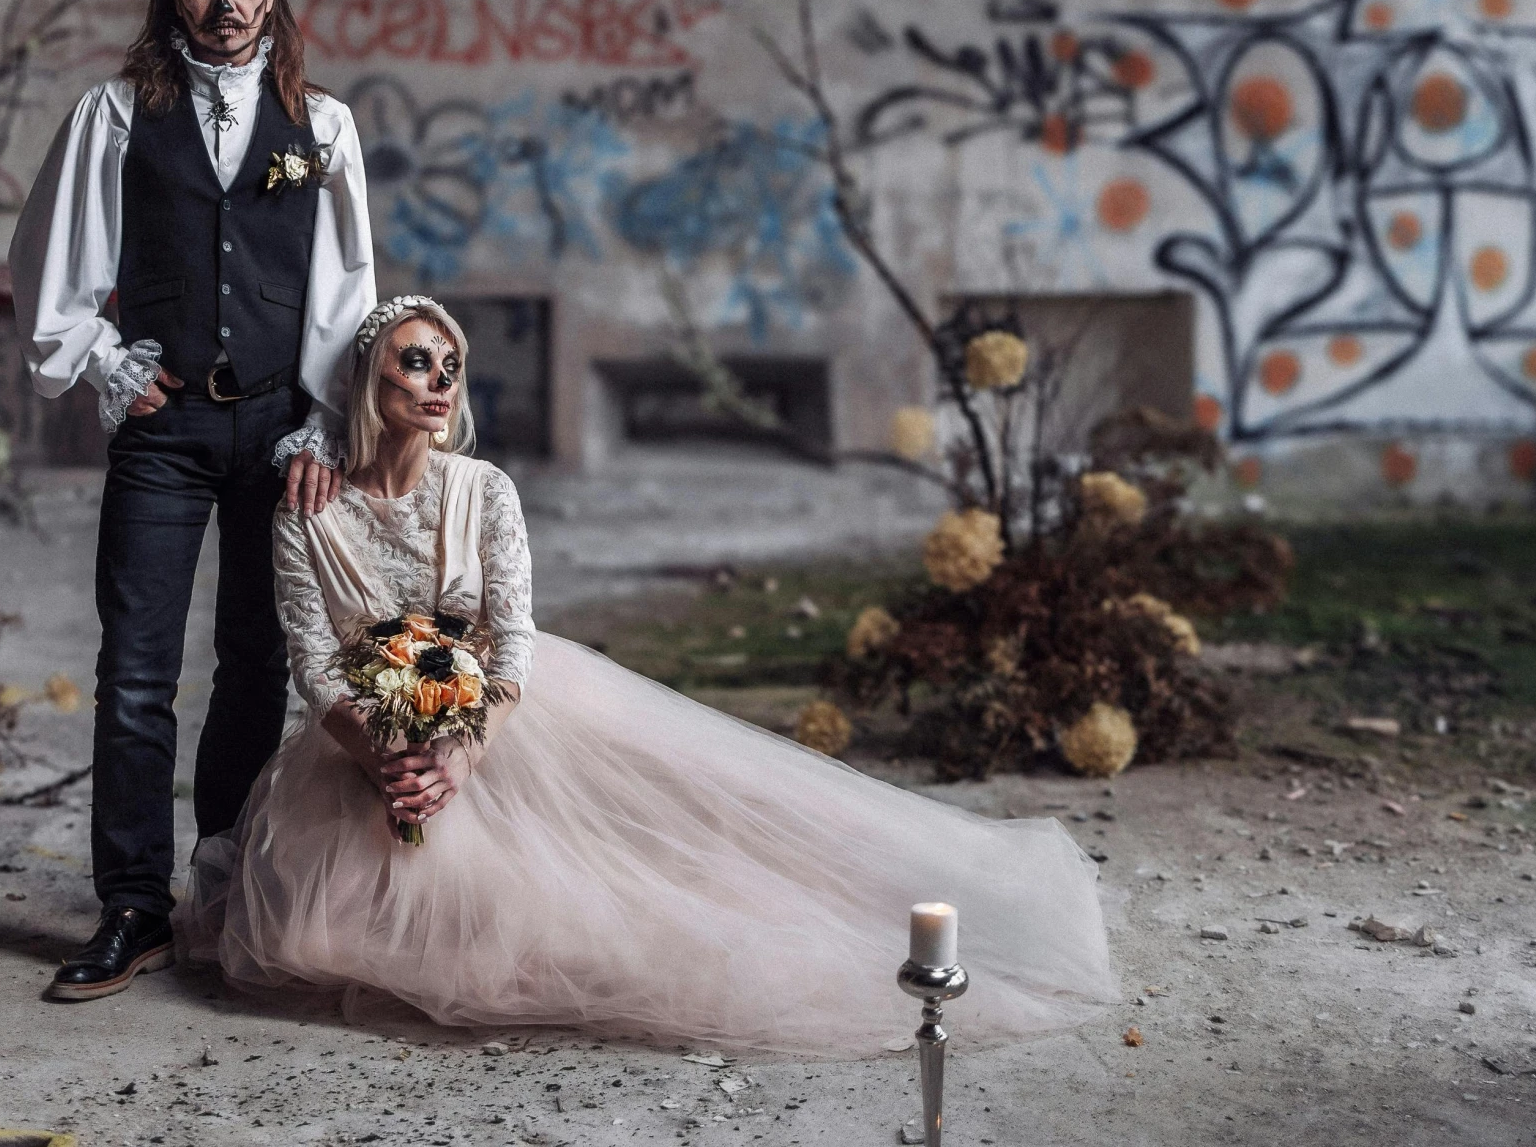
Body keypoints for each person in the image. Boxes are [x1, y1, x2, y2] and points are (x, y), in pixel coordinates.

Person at [177, 296, 1117, 1055]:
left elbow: (512, 644)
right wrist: (389, 758)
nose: (437, 381)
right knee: (321, 929)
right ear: (366, 375)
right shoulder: (308, 507)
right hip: (366, 746)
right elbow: (314, 665)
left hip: (504, 721)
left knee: (652, 878)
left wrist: (458, 757)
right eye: (415, 361)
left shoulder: (485, 489)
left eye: (449, 366)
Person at [10, 0, 375, 1001]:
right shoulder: (116, 114)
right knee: (133, 673)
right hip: (163, 431)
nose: (223, 4)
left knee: (256, 664)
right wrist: (104, 360)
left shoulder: (321, 123)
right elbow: (51, 263)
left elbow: (345, 289)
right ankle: (132, 902)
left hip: (278, 428)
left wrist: (325, 415)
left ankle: (223, 884)